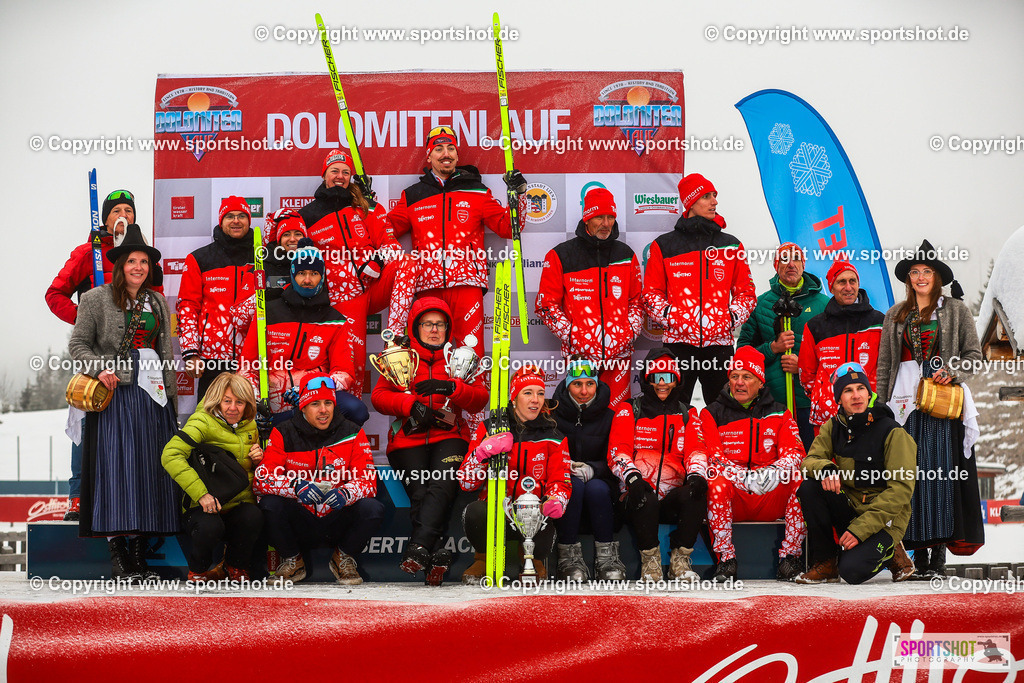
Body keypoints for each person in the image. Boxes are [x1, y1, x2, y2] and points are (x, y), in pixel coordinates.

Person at [68, 224, 179, 581]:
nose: (138, 267)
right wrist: (100, 369)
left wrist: (171, 400)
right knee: (118, 472)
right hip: (115, 396)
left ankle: (139, 553)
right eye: (131, 261)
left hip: (152, 396)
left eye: (143, 261)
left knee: (149, 471)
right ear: (119, 265)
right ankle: (118, 552)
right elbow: (78, 345)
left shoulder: (158, 300)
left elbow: (164, 352)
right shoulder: (95, 299)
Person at [876, 240, 984, 578]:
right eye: (915, 272)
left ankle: (937, 558)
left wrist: (952, 371)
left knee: (940, 474)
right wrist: (879, 407)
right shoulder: (895, 314)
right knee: (911, 477)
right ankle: (915, 556)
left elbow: (975, 356)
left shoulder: (956, 310)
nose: (920, 277)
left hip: (941, 398)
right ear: (909, 279)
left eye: (927, 271)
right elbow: (883, 366)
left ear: (937, 276)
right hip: (903, 401)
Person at [370, 297, 488, 585]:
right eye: (427, 324)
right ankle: (434, 553)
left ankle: (418, 548)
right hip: (407, 438)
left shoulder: (461, 357)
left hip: (450, 436)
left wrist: (452, 387)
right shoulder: (399, 355)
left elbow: (479, 399)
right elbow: (379, 397)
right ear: (416, 326)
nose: (434, 330)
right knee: (420, 492)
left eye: (440, 324)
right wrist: (410, 405)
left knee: (440, 484)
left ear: (448, 328)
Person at [386, 126, 526, 358]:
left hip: (467, 284)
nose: (446, 154)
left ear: (457, 155)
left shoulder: (477, 190)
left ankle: (474, 393)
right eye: (439, 149)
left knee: (470, 352)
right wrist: (366, 207)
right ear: (429, 156)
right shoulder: (413, 195)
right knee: (429, 355)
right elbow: (385, 231)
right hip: (426, 286)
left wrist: (518, 196)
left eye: (451, 148)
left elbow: (509, 228)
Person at [47, 189, 138, 522]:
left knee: (128, 424)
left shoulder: (138, 256)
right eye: (116, 211)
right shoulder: (88, 253)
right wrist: (83, 320)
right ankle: (77, 496)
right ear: (106, 218)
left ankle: (123, 494)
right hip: (92, 352)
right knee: (87, 418)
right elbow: (54, 293)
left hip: (130, 353)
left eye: (129, 210)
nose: (123, 216)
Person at [254, 374, 384, 586]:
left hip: (336, 518)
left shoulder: (352, 432)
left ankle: (343, 557)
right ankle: (293, 560)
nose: (323, 410)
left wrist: (345, 493)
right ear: (303, 407)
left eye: (328, 403)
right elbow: (262, 480)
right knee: (269, 505)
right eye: (315, 403)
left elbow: (368, 481)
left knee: (372, 509)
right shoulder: (283, 432)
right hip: (301, 520)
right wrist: (296, 487)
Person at [795, 363, 917, 584]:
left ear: (869, 393)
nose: (856, 396)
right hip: (852, 510)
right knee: (809, 487)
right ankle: (826, 563)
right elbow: (809, 461)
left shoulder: (892, 431)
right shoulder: (832, 428)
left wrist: (861, 530)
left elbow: (900, 491)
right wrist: (826, 469)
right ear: (839, 399)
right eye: (847, 390)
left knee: (852, 572)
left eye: (861, 388)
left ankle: (893, 552)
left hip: (884, 518)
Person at [643, 173, 756, 407]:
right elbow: (651, 294)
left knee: (724, 410)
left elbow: (746, 293)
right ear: (691, 202)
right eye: (707, 196)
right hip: (678, 345)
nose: (714, 201)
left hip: (719, 346)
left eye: (714, 195)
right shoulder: (664, 245)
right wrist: (676, 319)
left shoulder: (731, 244)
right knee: (675, 408)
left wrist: (729, 318)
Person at [300, 150, 405, 395]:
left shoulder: (366, 207)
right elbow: (283, 245)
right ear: (324, 174)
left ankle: (395, 339)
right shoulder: (307, 215)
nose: (340, 176)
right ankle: (350, 431)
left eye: (346, 172)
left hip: (374, 287)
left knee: (408, 263)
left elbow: (393, 247)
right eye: (334, 171)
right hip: (343, 299)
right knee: (351, 371)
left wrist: (379, 260)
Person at [699, 346, 806, 581]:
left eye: (746, 377)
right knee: (715, 483)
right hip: (734, 494)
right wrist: (743, 477)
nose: (739, 382)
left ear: (760, 381)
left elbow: (796, 453)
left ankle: (789, 559)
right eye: (734, 376)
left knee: (800, 481)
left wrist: (773, 472)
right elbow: (712, 458)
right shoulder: (710, 413)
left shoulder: (780, 413)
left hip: (769, 494)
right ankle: (726, 561)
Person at [457, 366, 570, 584]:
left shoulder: (553, 434)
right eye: (527, 393)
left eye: (539, 393)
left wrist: (557, 500)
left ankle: (532, 560)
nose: (535, 400)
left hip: (532, 513)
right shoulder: (491, 427)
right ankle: (483, 559)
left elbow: (560, 480)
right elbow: (466, 482)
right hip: (497, 511)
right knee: (475, 512)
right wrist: (482, 453)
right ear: (514, 397)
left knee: (548, 517)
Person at [607, 348, 710, 581]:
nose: (662, 384)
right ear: (646, 379)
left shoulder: (688, 413)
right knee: (645, 496)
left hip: (671, 497)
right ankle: (650, 561)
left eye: (668, 378)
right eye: (656, 378)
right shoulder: (629, 409)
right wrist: (632, 478)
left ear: (677, 380)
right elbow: (617, 450)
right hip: (636, 496)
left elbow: (697, 449)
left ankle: (680, 561)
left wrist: (696, 475)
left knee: (696, 492)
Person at [239, 239, 366, 426]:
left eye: (314, 273)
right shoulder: (266, 312)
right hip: (271, 403)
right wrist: (257, 402)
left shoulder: (335, 320)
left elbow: (344, 374)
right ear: (292, 274)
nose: (307, 280)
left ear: (322, 276)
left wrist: (309, 389)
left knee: (357, 410)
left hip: (315, 401)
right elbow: (246, 367)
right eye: (301, 273)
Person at [535, 188, 643, 407]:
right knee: (580, 417)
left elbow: (637, 302)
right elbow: (546, 306)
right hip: (579, 358)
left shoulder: (626, 254)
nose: (606, 223)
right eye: (599, 217)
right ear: (586, 218)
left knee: (617, 416)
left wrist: (628, 332)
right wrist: (575, 336)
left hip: (618, 358)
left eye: (610, 217)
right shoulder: (560, 254)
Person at [161, 373, 264, 581]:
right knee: (210, 525)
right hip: (203, 508)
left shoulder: (250, 425)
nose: (233, 408)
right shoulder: (202, 421)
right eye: (227, 401)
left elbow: (243, 467)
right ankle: (198, 570)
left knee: (253, 516)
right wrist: (202, 495)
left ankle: (233, 567)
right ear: (218, 400)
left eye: (239, 402)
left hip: (236, 504)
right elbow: (170, 454)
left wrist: (257, 460)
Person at [738, 243, 829, 449]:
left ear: (803, 265)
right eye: (784, 259)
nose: (791, 264)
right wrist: (772, 348)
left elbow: (834, 355)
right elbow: (742, 353)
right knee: (776, 466)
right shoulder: (760, 304)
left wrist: (804, 367)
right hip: (771, 402)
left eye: (796, 258)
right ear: (775, 265)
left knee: (811, 463)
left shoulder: (823, 304)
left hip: (811, 402)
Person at [549, 358, 625, 580]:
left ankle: (607, 557)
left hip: (602, 485)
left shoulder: (610, 417)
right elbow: (546, 453)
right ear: (567, 385)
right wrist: (566, 466)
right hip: (563, 482)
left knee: (596, 488)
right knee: (574, 486)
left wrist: (593, 469)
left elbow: (617, 458)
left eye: (590, 384)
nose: (584, 391)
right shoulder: (553, 415)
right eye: (577, 384)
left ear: (597, 385)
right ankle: (567, 556)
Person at [177, 196, 256, 400]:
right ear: (221, 221)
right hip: (212, 360)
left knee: (250, 421)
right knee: (210, 422)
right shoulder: (199, 258)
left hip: (252, 356)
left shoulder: (263, 256)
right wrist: (191, 353)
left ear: (249, 220)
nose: (236, 221)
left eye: (241, 216)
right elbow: (187, 307)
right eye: (230, 216)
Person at [798, 260, 884, 433]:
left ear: (858, 284)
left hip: (868, 410)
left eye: (852, 281)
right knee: (825, 460)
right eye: (841, 282)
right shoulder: (815, 326)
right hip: (828, 415)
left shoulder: (879, 322)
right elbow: (807, 375)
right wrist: (824, 397)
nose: (848, 287)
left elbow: (886, 368)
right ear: (831, 287)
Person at [231, 208, 310, 341]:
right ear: (278, 239)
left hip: (304, 343)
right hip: (272, 342)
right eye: (286, 234)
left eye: (298, 234)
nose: (292, 239)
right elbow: (238, 319)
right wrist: (263, 297)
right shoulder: (262, 268)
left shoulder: (314, 266)